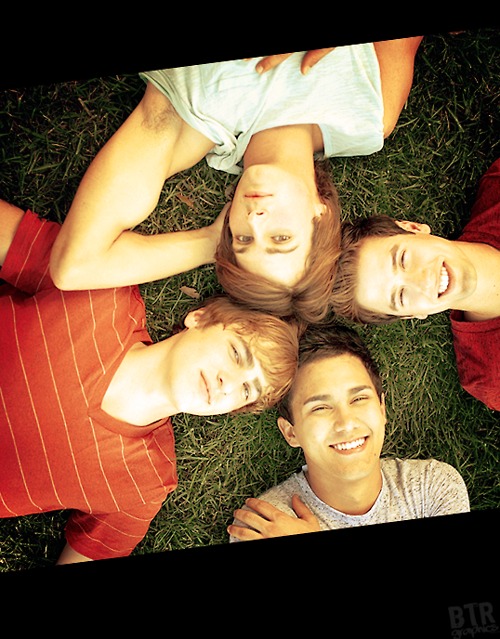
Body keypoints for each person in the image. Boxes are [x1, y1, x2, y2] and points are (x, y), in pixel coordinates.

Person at [0, 199, 300, 565]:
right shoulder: (102, 286)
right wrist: (208, 242)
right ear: (200, 318)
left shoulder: (144, 484)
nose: (228, 383)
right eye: (237, 354)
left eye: (246, 390)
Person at [49, 38, 424, 322]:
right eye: (281, 238)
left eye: (243, 239)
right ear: (319, 212)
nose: (255, 221)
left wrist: (209, 243)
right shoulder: (370, 120)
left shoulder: (193, 118)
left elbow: (74, 267)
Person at [228, 324, 469, 541]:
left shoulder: (432, 487)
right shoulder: (265, 523)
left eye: (359, 399)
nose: (346, 423)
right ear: (291, 433)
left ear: (382, 409)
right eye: (320, 408)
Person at [330, 158, 500, 411]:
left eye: (403, 259)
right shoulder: (491, 377)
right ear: (412, 315)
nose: (421, 280)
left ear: (413, 228)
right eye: (401, 296)